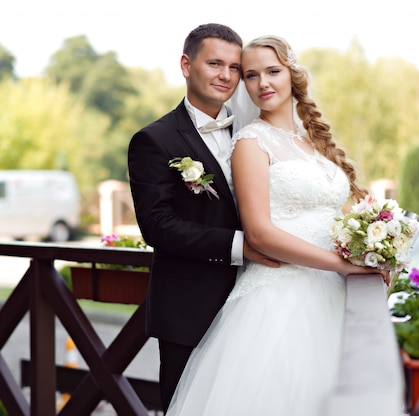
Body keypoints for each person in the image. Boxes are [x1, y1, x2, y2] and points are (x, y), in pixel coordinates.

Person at [166, 35, 388, 415]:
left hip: (336, 294)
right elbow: (259, 234)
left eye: (272, 71)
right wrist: (341, 265)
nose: (262, 83)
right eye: (251, 75)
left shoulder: (313, 143)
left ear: (292, 74)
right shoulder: (251, 142)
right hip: (280, 297)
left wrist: (370, 249)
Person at [127, 23, 279, 412]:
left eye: (233, 67)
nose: (225, 76)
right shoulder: (154, 140)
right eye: (214, 63)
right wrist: (241, 247)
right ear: (186, 64)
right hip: (190, 309)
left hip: (262, 300)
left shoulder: (257, 131)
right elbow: (157, 225)